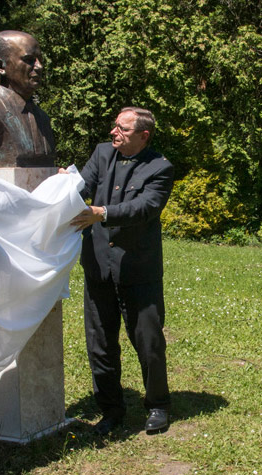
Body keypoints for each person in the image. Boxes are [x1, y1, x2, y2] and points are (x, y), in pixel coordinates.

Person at [59, 107, 174, 435]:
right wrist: (61, 185)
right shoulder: (102, 154)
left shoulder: (160, 167)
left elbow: (146, 207)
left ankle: (158, 405)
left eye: (122, 129)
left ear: (143, 135)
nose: (114, 132)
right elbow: (81, 188)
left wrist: (103, 212)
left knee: (149, 342)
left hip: (138, 270)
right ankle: (110, 410)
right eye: (115, 126)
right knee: (100, 344)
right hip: (98, 266)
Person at [0, 30, 56, 167]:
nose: (39, 66)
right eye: (29, 60)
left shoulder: (42, 117)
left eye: (40, 60)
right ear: (0, 66)